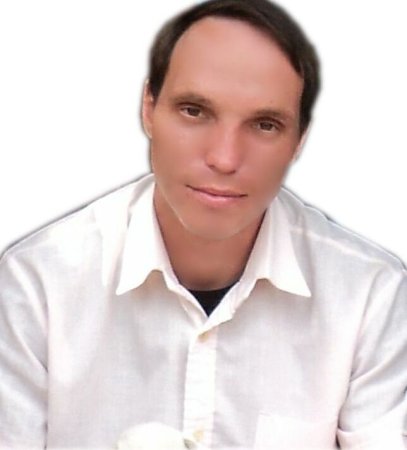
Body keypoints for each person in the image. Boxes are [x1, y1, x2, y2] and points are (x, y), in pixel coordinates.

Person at [0, 0, 406, 448]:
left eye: (265, 124)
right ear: (148, 108)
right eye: (194, 110)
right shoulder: (37, 284)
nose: (225, 158)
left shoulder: (369, 294)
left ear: (299, 141)